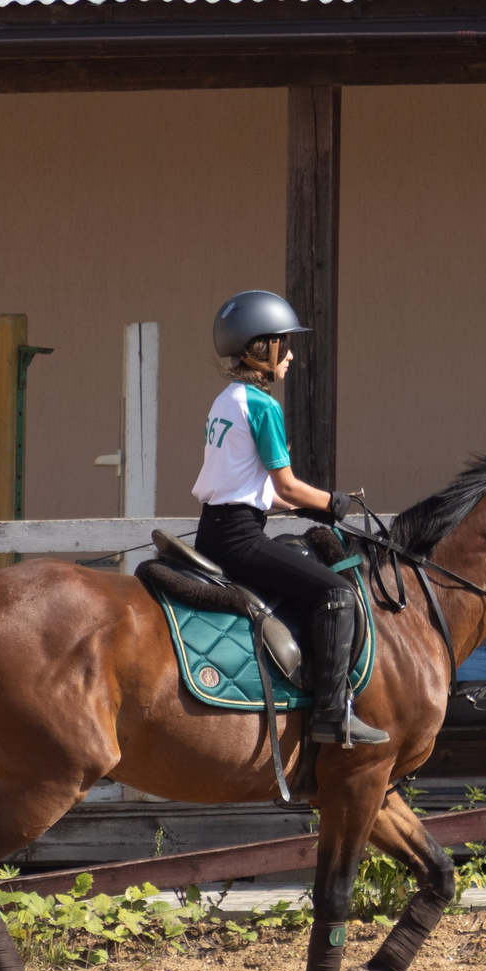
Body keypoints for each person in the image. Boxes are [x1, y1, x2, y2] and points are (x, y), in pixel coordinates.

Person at [192, 289, 388, 749]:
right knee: (337, 593)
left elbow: (252, 490)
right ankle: (332, 715)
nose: (291, 355)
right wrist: (334, 502)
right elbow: (287, 486)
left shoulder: (225, 400)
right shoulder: (263, 406)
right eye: (285, 344)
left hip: (216, 528)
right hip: (240, 539)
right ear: (266, 348)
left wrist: (300, 504)